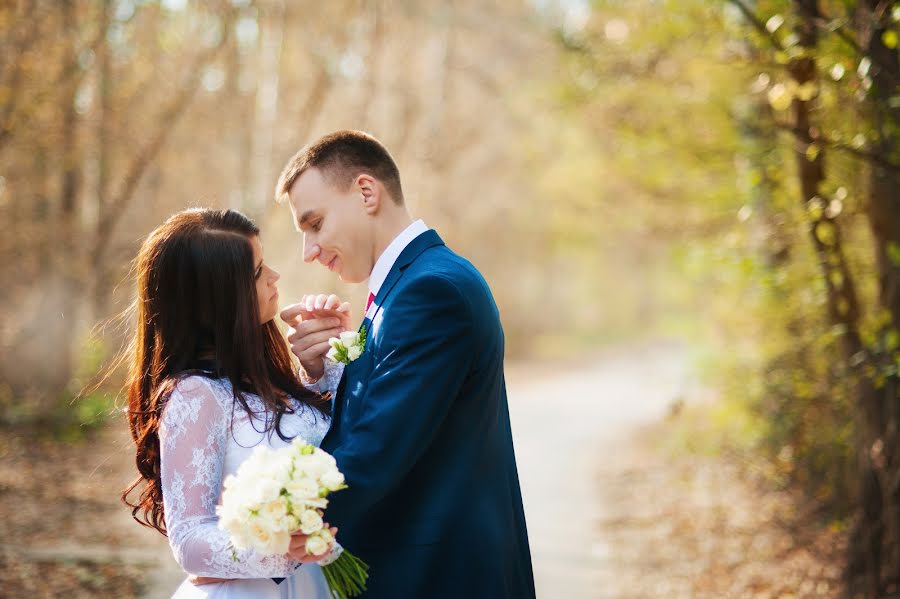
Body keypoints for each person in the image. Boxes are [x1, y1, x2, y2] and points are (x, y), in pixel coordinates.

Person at [276, 130, 536, 599]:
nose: (308, 250)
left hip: (440, 575)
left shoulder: (429, 292)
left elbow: (377, 451)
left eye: (314, 224)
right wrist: (325, 374)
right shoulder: (409, 285)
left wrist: (264, 517)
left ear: (366, 192)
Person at [122, 208, 343, 598]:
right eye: (258, 271)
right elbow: (190, 540)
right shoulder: (196, 396)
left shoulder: (266, 377)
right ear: (217, 299)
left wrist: (322, 366)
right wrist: (278, 545)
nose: (274, 275)